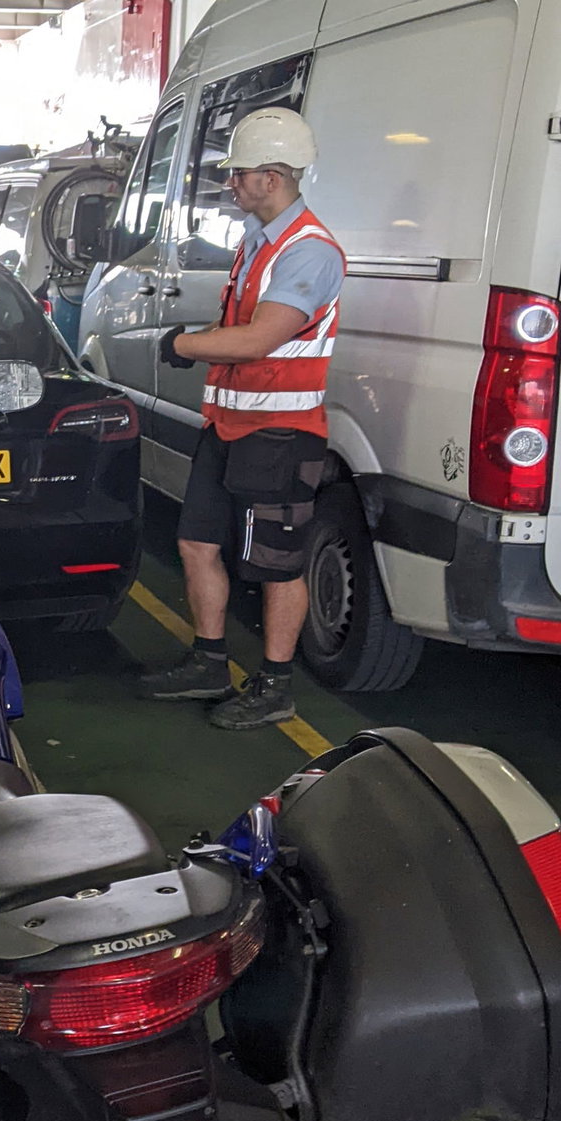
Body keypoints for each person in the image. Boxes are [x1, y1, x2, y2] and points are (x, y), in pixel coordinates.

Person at [135, 106, 343, 731]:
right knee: (197, 542)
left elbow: (258, 339)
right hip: (229, 427)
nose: (230, 183)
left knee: (278, 565)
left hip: (280, 436)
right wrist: (202, 340)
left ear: (272, 178)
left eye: (240, 173)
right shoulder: (259, 243)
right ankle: (209, 661)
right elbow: (240, 328)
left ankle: (275, 686)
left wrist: (183, 343)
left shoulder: (309, 252)